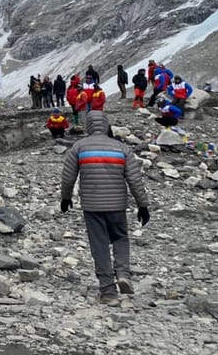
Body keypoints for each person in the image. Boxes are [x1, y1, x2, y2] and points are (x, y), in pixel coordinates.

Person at [61, 110, 150, 304]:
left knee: (99, 245)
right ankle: (123, 273)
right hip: (117, 204)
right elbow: (135, 179)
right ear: (107, 124)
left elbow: (68, 177)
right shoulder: (121, 148)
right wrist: (143, 204)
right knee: (120, 238)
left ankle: (108, 292)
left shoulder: (79, 147)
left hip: (92, 206)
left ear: (88, 126)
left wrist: (65, 198)